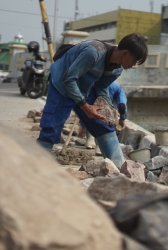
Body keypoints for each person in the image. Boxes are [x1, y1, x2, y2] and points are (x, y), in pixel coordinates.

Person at [37, 33, 147, 168]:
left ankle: (118, 168)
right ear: (125, 53)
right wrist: (85, 106)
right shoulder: (93, 52)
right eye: (135, 60)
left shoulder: (117, 70)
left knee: (103, 123)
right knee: (51, 126)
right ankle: (36, 165)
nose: (134, 65)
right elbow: (69, 79)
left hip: (85, 87)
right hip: (62, 83)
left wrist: (109, 109)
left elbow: (101, 87)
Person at [82, 81, 128, 153]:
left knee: (90, 111)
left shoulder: (94, 80)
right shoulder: (118, 88)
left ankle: (90, 139)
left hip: (92, 89)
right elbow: (122, 106)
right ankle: (100, 146)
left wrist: (82, 125)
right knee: (104, 117)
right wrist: (122, 118)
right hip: (102, 91)